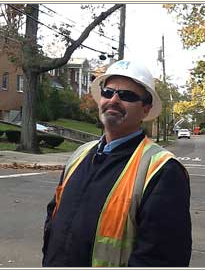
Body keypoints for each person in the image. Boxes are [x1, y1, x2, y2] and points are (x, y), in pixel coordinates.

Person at [42, 59, 192, 267]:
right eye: (108, 92)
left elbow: (162, 257)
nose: (113, 100)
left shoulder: (162, 170)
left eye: (127, 96)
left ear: (146, 109)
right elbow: (53, 219)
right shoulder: (80, 154)